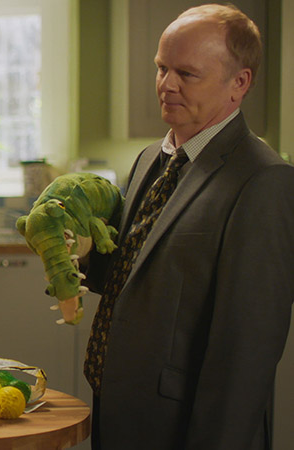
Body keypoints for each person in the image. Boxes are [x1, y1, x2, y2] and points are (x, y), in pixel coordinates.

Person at [81, 4, 294, 449]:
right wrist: (76, 247)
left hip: (188, 429)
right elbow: (129, 278)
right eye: (161, 68)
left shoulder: (263, 180)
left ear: (239, 83)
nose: (166, 85)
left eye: (187, 74)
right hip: (120, 415)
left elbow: (246, 351)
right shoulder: (147, 161)